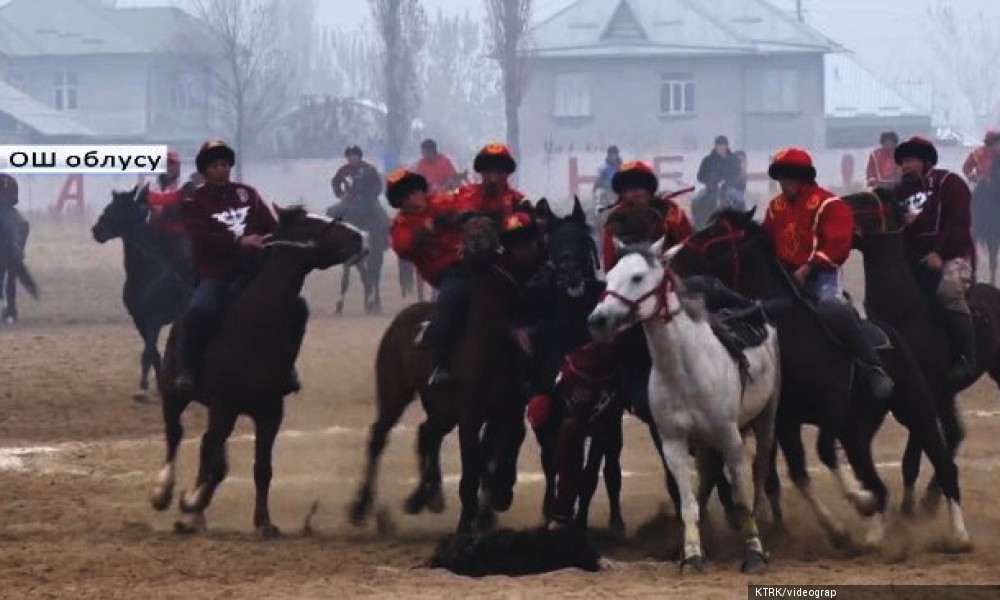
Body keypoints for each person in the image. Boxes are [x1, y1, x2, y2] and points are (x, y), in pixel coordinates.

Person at [762, 148, 894, 399]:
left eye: (787, 176)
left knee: (831, 306)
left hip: (820, 274)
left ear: (801, 177)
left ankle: (872, 367)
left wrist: (809, 267)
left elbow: (838, 245)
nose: (782, 183)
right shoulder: (774, 207)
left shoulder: (830, 204)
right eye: (779, 177)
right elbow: (768, 241)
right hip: (785, 275)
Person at [173, 139, 295, 393]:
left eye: (225, 164)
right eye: (215, 165)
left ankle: (286, 366)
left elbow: (269, 226)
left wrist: (272, 237)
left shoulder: (247, 193)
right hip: (215, 273)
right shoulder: (193, 201)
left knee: (291, 308)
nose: (221, 169)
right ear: (204, 170)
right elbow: (201, 239)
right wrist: (239, 242)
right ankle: (189, 369)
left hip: (253, 269)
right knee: (199, 311)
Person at [895, 136, 977, 386]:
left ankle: (966, 358)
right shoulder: (899, 193)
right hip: (915, 259)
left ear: (926, 161)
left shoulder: (950, 183)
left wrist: (939, 253)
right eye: (903, 162)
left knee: (948, 293)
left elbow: (959, 224)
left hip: (954, 256)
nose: (906, 167)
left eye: (911, 161)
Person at [387, 169, 473, 386]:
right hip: (447, 271)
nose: (413, 199)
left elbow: (465, 203)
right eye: (405, 197)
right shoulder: (401, 224)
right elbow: (404, 248)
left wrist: (465, 214)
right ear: (399, 203)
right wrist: (431, 227)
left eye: (415, 192)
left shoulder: (443, 201)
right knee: (450, 299)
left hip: (474, 259)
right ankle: (438, 364)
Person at [600, 160, 693, 271]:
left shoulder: (671, 211)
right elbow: (609, 261)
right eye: (626, 191)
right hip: (627, 278)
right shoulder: (615, 218)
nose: (631, 195)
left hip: (670, 272)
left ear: (648, 191)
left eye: (637, 190)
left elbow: (688, 245)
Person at [455, 143, 529, 220]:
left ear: (507, 174)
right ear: (482, 173)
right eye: (488, 171)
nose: (493, 179)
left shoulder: (519, 203)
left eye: (499, 172)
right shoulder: (462, 195)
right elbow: (443, 202)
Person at [694, 135, 745, 210]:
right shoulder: (708, 160)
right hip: (712, 190)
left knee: (740, 202)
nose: (721, 148)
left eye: (723, 145)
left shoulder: (733, 159)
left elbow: (738, 175)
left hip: (730, 189)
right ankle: (700, 221)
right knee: (697, 202)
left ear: (727, 146)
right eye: (719, 146)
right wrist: (710, 181)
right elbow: (700, 176)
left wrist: (729, 182)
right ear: (715, 147)